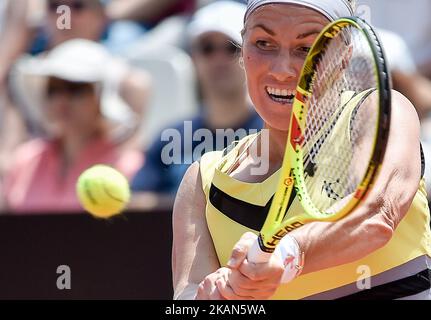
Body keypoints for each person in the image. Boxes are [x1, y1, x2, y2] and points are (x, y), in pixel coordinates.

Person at [172, 0, 431, 300]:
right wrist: (215, 297)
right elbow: (187, 296)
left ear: (344, 56)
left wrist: (288, 256)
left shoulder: (376, 112)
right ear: (243, 51)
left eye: (307, 48)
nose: (283, 70)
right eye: (264, 43)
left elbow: (374, 215)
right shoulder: (203, 181)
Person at [131, 1, 263, 199]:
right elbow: (138, 204)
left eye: (231, 48)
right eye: (207, 48)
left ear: (250, 54)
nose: (219, 59)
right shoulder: (170, 135)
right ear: (193, 57)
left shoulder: (275, 132)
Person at [1, 40, 145, 214]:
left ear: (100, 98)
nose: (62, 101)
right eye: (53, 90)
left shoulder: (128, 165)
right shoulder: (25, 159)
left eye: (75, 89)